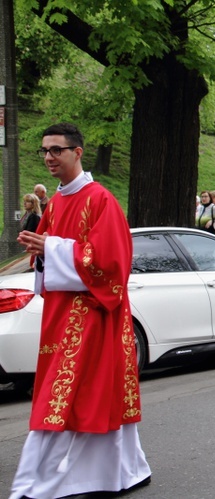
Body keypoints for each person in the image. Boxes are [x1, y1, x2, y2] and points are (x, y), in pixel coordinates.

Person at [11, 123, 151, 498]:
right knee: (81, 396)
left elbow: (112, 263)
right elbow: (51, 257)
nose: (49, 157)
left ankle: (35, 483)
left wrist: (53, 248)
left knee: (74, 396)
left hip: (93, 316)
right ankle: (124, 471)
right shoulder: (55, 202)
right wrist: (42, 253)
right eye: (44, 150)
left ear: (77, 152)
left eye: (57, 150)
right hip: (60, 317)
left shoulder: (100, 199)